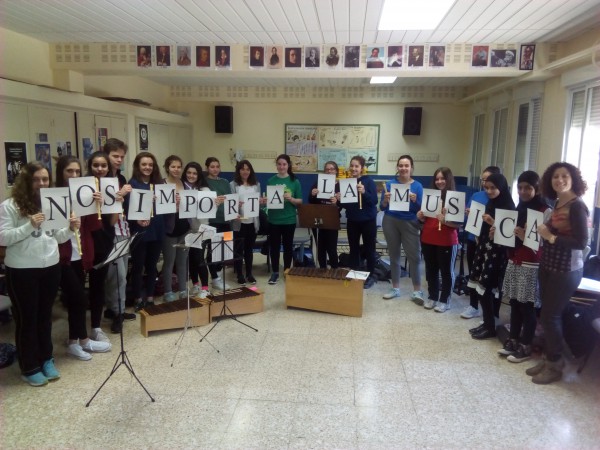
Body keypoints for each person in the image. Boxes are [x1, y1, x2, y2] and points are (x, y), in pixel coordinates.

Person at [0, 162, 77, 386]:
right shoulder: (10, 206)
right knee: (27, 320)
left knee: (45, 317)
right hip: (22, 270)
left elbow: (56, 236)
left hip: (50, 267)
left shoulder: (51, 202)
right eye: (36, 179)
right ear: (26, 181)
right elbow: (3, 238)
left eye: (45, 179)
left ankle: (46, 359)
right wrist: (29, 225)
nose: (42, 184)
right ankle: (29, 365)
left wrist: (71, 229)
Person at [527, 162, 588, 384]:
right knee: (547, 314)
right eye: (555, 177)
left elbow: (581, 242)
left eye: (564, 176)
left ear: (573, 179)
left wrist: (551, 237)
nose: (559, 180)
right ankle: (548, 358)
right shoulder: (557, 203)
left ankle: (556, 365)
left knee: (550, 317)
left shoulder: (577, 206)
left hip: (566, 269)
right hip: (549, 265)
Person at [55, 156, 112, 359]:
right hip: (61, 256)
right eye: (69, 171)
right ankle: (83, 339)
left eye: (77, 172)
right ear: (61, 173)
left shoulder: (84, 193)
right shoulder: (55, 195)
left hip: (80, 253)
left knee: (75, 300)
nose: (74, 175)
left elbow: (93, 227)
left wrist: (97, 205)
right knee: (78, 298)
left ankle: (75, 341)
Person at [498, 171, 551, 363]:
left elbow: (546, 244)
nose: (523, 191)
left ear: (536, 188)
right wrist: (499, 231)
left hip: (531, 263)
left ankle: (525, 345)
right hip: (514, 260)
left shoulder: (545, 211)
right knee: (514, 303)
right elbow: (509, 234)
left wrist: (523, 237)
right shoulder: (518, 207)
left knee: (526, 306)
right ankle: (513, 339)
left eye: (528, 187)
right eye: (520, 187)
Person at [468, 173, 515, 340]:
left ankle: (490, 326)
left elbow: (508, 233)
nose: (489, 191)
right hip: (484, 249)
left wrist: (492, 222)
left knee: (487, 288)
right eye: (486, 188)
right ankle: (487, 323)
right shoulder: (491, 202)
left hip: (496, 253)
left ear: (501, 188)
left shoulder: (508, 206)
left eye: (493, 188)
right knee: (480, 288)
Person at [80, 151, 117, 343]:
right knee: (78, 288)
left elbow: (112, 221)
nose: (100, 169)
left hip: (105, 239)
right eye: (96, 165)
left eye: (103, 166)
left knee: (98, 285)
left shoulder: (112, 185)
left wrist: (114, 203)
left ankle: (95, 326)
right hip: (84, 239)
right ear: (90, 166)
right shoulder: (81, 185)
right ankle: (77, 332)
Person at [380, 155, 424, 301]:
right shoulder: (390, 184)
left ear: (411, 167)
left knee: (415, 256)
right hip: (390, 221)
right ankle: (395, 288)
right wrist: (385, 200)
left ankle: (417, 291)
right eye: (401, 165)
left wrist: (415, 200)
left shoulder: (417, 186)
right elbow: (382, 207)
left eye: (406, 165)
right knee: (394, 256)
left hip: (410, 222)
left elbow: (422, 210)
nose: (403, 168)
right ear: (397, 167)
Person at [416, 167, 460, 312]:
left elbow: (458, 224)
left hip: (447, 241)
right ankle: (433, 297)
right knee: (431, 270)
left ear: (449, 180)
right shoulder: (430, 196)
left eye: (443, 178)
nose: (439, 181)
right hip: (428, 238)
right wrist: (421, 218)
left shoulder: (455, 198)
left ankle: (445, 300)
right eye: (437, 179)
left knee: (446, 272)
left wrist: (445, 220)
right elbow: (425, 220)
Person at [461, 166, 502, 320]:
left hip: (492, 244)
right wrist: (467, 214)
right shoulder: (476, 195)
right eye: (483, 180)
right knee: (473, 272)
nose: (485, 184)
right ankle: (473, 305)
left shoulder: (500, 199)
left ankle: (493, 311)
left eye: (488, 180)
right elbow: (468, 218)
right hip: (474, 239)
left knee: (491, 277)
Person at [103, 138, 135, 334]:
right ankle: (116, 312)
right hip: (109, 232)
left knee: (121, 274)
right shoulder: (101, 179)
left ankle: (117, 308)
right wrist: (119, 196)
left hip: (123, 230)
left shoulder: (121, 178)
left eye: (122, 157)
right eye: (115, 156)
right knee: (116, 275)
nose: (119, 160)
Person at [127, 152, 165, 311]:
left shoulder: (159, 184)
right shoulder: (132, 184)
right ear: (138, 166)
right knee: (138, 267)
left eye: (150, 164)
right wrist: (137, 219)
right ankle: (137, 298)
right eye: (144, 164)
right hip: (140, 231)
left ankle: (150, 297)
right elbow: (128, 209)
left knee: (152, 266)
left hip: (157, 229)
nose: (147, 167)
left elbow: (166, 206)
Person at [338, 156, 377, 289]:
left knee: (369, 249)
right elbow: (345, 205)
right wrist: (339, 199)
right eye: (352, 166)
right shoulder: (347, 182)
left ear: (362, 168)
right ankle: (355, 273)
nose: (354, 168)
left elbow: (374, 201)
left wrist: (364, 192)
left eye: (357, 166)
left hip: (368, 221)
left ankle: (370, 275)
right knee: (353, 248)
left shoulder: (369, 181)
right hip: (353, 220)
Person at [266, 154, 302, 285]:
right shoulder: (271, 181)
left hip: (289, 220)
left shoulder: (295, 181)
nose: (281, 166)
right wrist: (265, 201)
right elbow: (269, 201)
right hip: (274, 219)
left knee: (288, 247)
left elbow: (300, 201)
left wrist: (291, 199)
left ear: (288, 165)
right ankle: (275, 272)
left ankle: (287, 270)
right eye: (279, 164)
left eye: (284, 164)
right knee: (274, 247)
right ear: (276, 165)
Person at [161, 155, 190, 302]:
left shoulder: (185, 184)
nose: (176, 169)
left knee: (182, 260)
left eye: (179, 167)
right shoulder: (162, 184)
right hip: (169, 228)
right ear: (167, 168)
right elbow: (159, 209)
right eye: (173, 166)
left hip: (184, 227)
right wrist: (174, 205)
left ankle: (183, 289)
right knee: (169, 261)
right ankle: (168, 291)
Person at [182, 162, 211, 299]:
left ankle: (205, 287)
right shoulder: (182, 188)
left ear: (199, 175)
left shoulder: (204, 190)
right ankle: (195, 285)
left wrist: (215, 203)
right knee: (190, 259)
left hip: (201, 229)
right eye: (189, 173)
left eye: (194, 173)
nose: (191, 176)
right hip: (188, 229)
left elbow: (210, 210)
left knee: (199, 258)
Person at [230, 160, 261, 285]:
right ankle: (239, 274)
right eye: (242, 169)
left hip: (252, 222)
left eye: (248, 169)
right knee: (238, 250)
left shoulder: (256, 184)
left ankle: (249, 273)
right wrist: (235, 207)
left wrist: (261, 201)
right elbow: (231, 202)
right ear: (238, 171)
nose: (245, 171)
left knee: (249, 250)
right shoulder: (233, 184)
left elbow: (257, 201)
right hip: (239, 223)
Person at [205, 157, 232, 290]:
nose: (215, 169)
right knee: (212, 250)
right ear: (207, 168)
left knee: (224, 250)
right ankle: (215, 277)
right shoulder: (204, 182)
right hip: (212, 221)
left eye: (217, 166)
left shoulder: (225, 182)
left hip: (226, 220)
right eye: (212, 166)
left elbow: (230, 200)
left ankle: (219, 274)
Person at [309, 161, 340, 269]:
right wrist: (312, 194)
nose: (329, 171)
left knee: (332, 248)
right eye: (327, 169)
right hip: (318, 219)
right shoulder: (317, 183)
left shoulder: (340, 186)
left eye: (332, 169)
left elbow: (344, 205)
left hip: (332, 219)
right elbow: (310, 201)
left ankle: (335, 270)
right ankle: (322, 269)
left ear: (336, 171)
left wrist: (337, 201)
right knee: (320, 247)